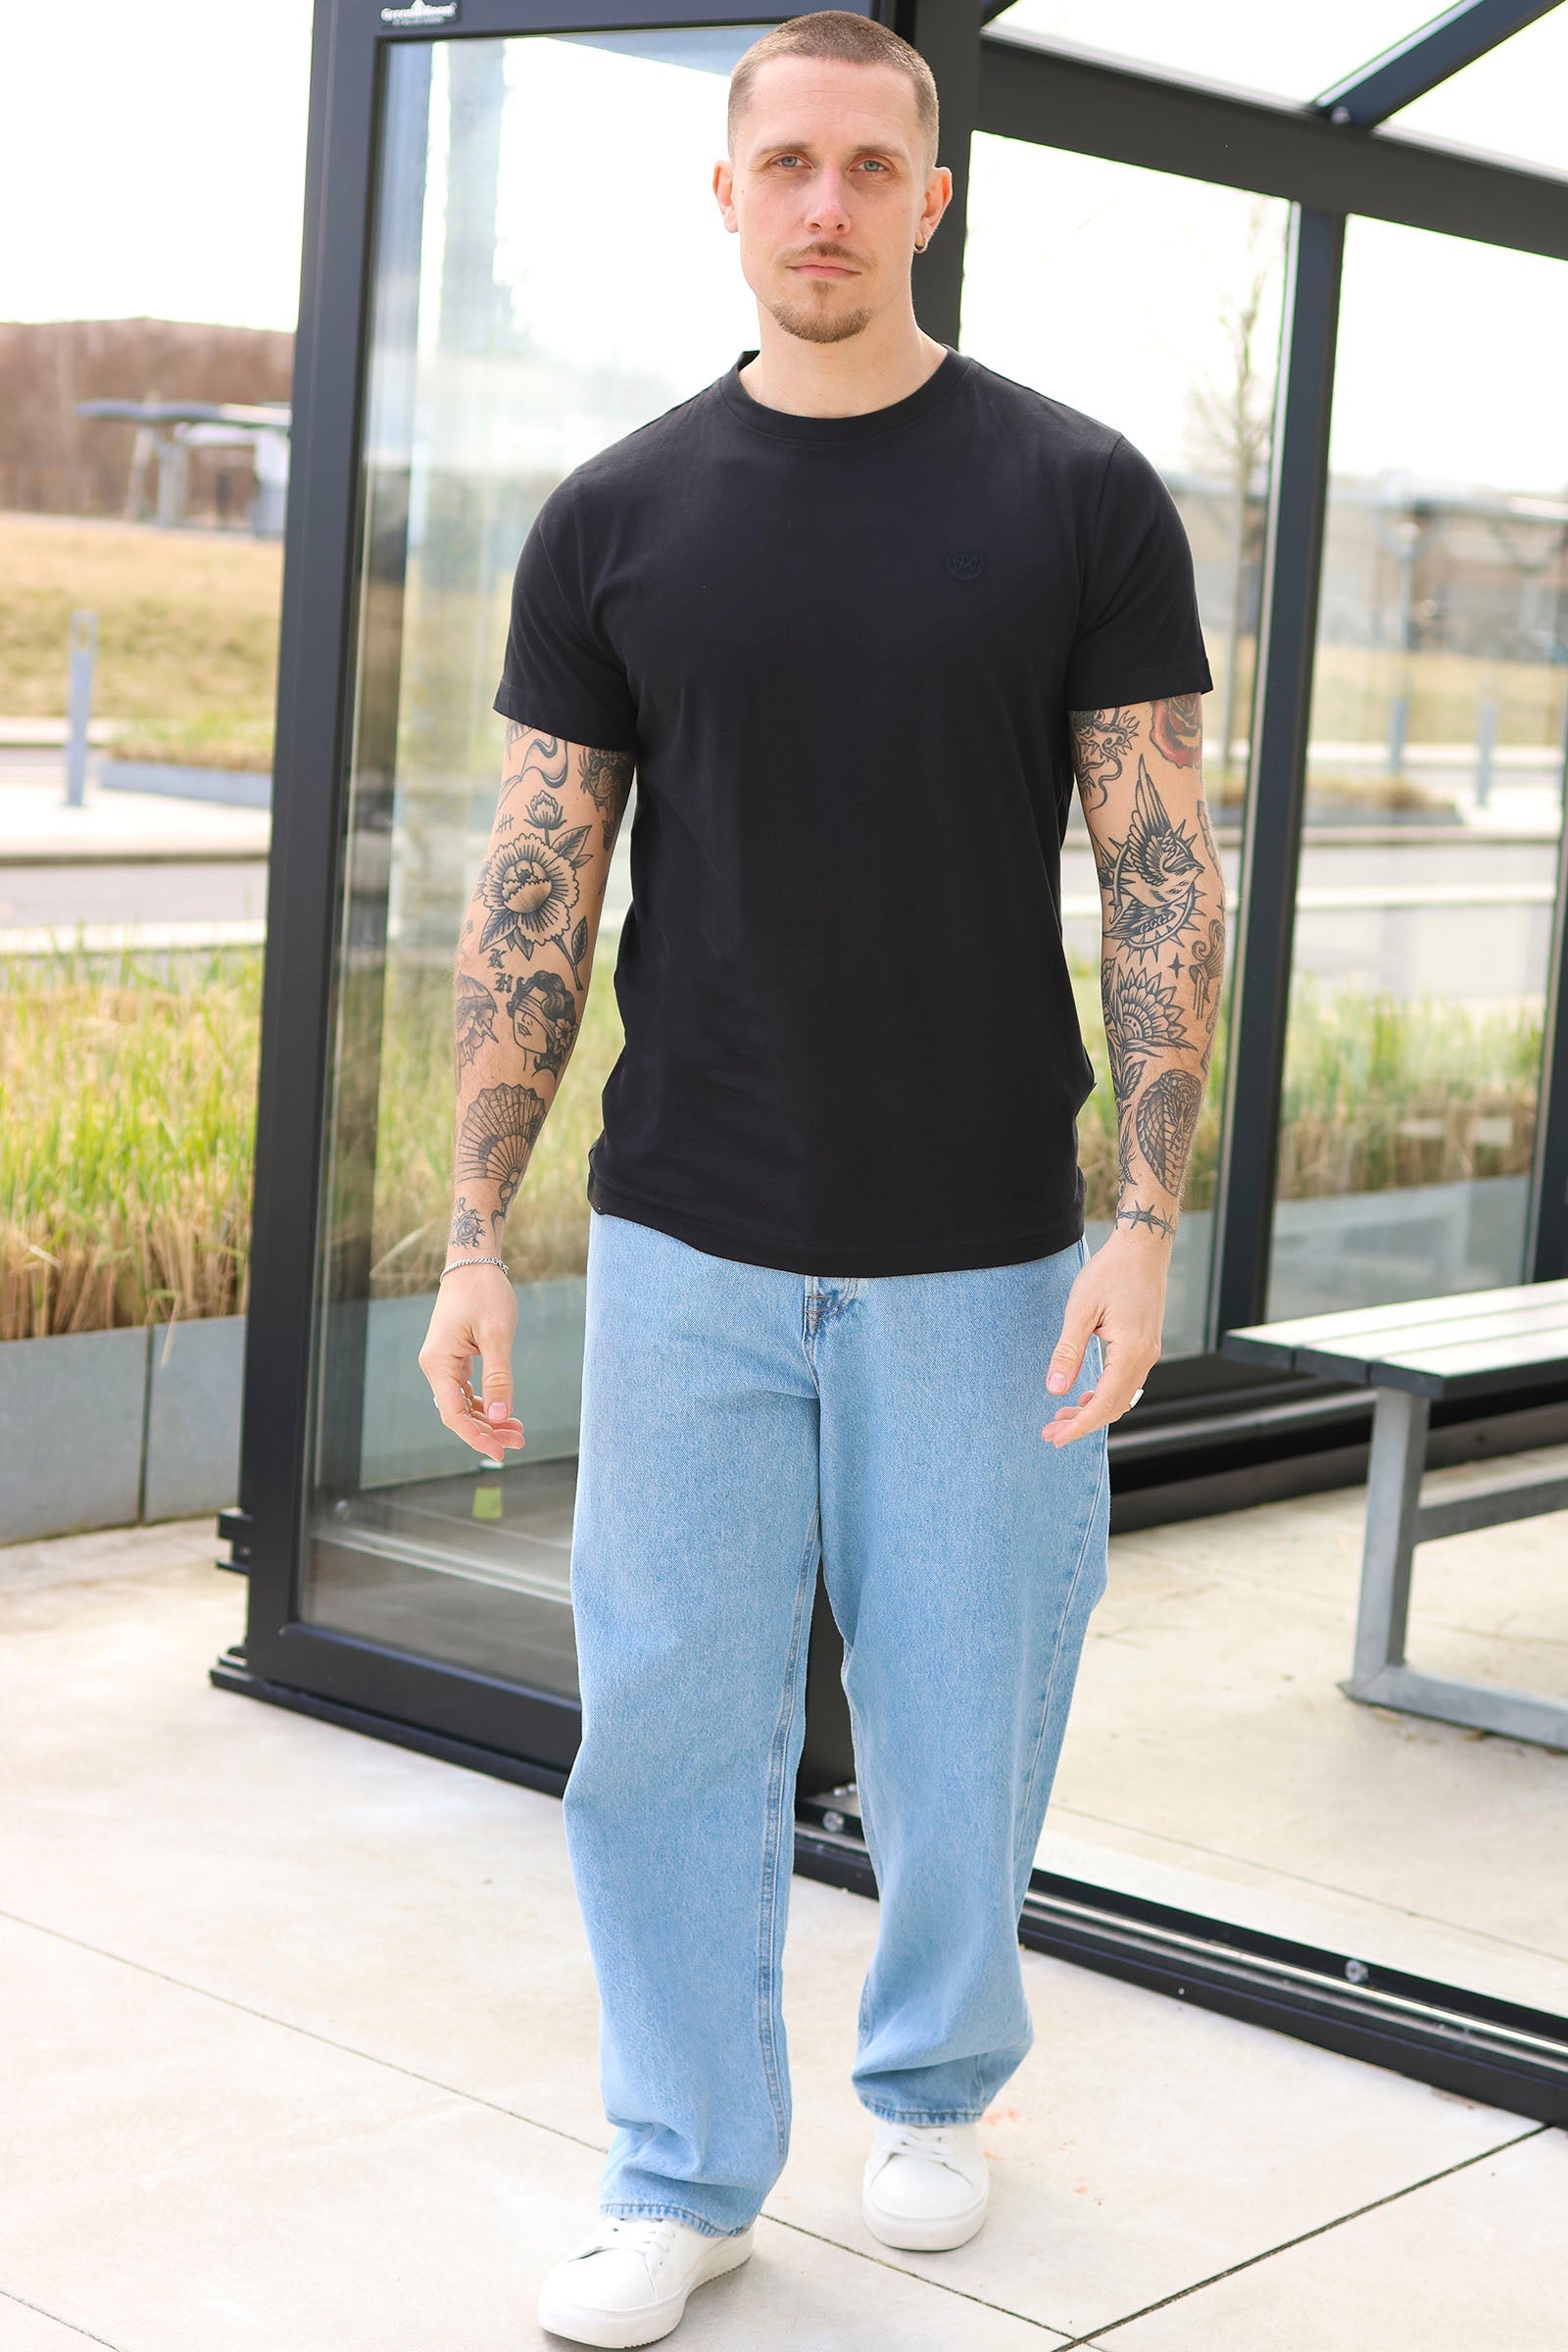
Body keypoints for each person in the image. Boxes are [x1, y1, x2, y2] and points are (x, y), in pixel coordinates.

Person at [417, 12, 1226, 2344]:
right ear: (727, 191)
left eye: (872, 166)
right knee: (665, 1723)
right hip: (686, 1231)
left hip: (983, 1247)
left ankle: (933, 2082)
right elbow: (533, 893)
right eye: (786, 162)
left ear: (928, 197)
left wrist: (1144, 1217)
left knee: (967, 1711)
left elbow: (1156, 870)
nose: (826, 204)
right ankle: (679, 2170)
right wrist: (473, 1239)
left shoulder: (1074, 495)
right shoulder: (614, 516)